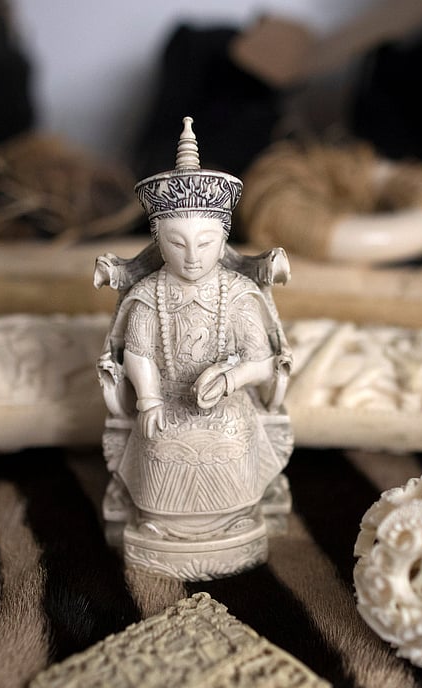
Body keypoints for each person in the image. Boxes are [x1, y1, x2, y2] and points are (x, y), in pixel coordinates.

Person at [96, 118, 292, 579]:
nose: (192, 256)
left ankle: (233, 518)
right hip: (165, 400)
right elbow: (138, 354)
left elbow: (262, 362)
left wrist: (231, 378)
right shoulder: (149, 295)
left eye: (205, 243)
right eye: (176, 243)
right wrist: (147, 399)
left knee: (228, 436)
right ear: (158, 240)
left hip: (226, 403)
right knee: (159, 437)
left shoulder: (239, 293)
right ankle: (161, 523)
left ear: (223, 238)